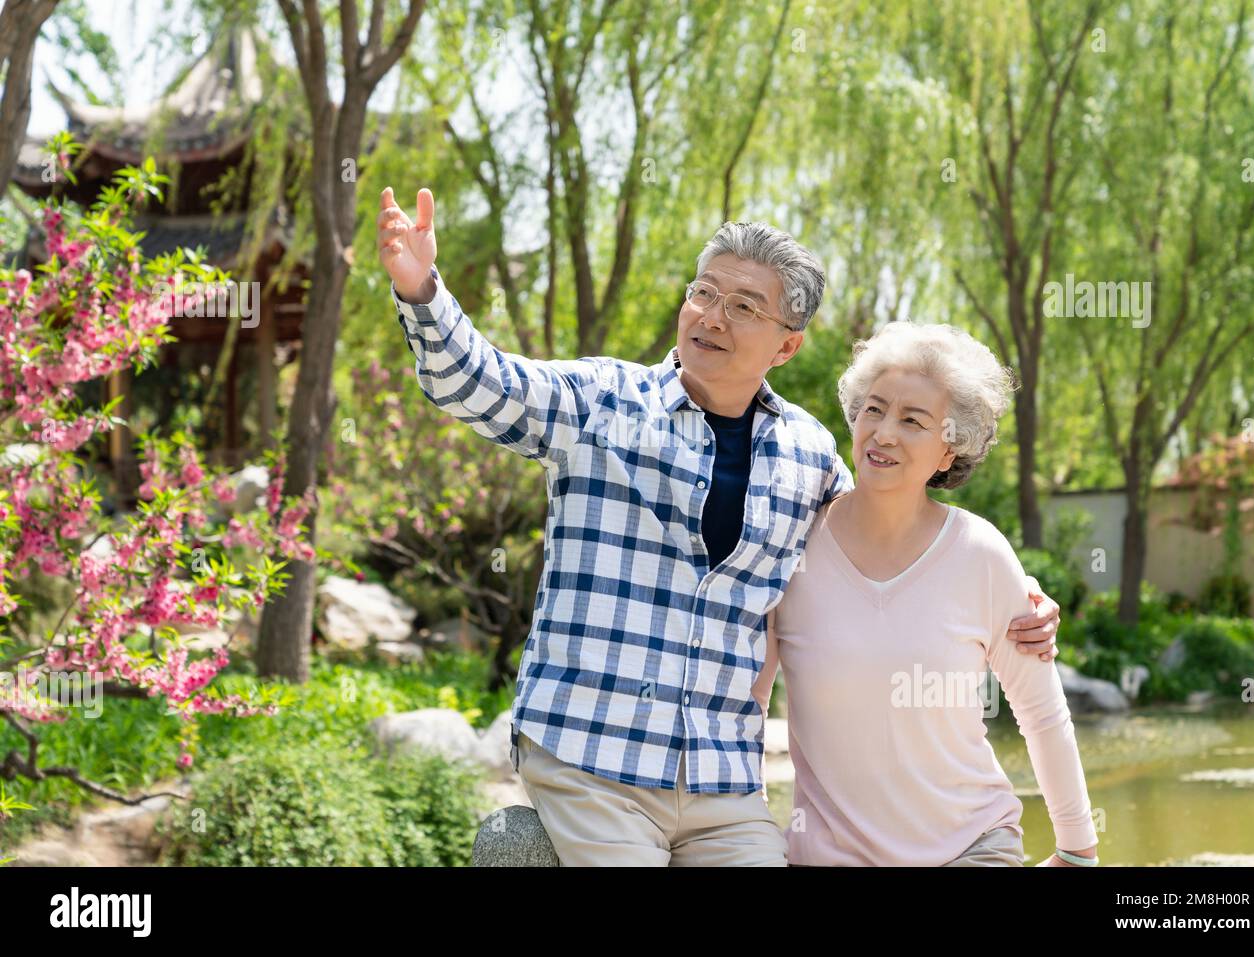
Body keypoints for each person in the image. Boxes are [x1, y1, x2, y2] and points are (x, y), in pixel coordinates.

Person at [377, 186, 1063, 865]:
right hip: (594, 757)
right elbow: (477, 381)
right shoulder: (600, 404)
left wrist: (1011, 590)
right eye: (703, 293)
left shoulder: (808, 453)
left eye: (743, 306)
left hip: (720, 783)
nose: (712, 316)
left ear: (787, 345)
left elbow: (885, 532)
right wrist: (422, 290)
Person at [752, 321, 1099, 867]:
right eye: (874, 409)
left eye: (912, 420)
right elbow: (746, 710)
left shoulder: (980, 554)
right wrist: (748, 839)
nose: (884, 432)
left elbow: (1040, 711)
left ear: (948, 451)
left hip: (971, 848)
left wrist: (1077, 850)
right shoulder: (790, 546)